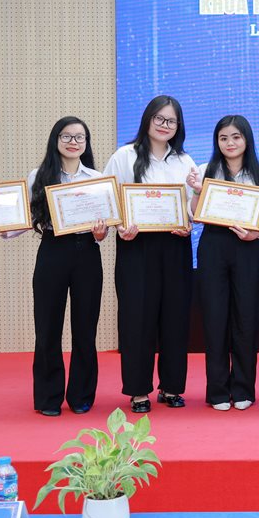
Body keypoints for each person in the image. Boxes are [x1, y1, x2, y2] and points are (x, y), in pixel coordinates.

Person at [0, 116, 109, 416]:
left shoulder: (97, 178)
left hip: (87, 253)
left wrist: (101, 233)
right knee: (47, 327)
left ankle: (81, 396)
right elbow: (25, 217)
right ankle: (48, 398)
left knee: (85, 328)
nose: (73, 142)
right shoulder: (39, 175)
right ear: (55, 140)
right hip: (52, 251)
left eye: (80, 137)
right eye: (67, 136)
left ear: (86, 143)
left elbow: (103, 229)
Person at [104, 95, 197, 414]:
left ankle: (171, 387)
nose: (164, 125)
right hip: (136, 245)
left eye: (171, 121)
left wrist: (189, 222)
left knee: (175, 317)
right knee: (137, 318)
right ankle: (138, 389)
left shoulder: (184, 160)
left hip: (175, 245)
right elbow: (108, 199)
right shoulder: (124, 156)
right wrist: (120, 226)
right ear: (147, 119)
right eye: (159, 118)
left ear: (178, 126)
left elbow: (191, 206)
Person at [186, 115, 259, 412]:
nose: (230, 143)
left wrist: (254, 233)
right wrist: (197, 191)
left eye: (236, 137)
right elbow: (195, 214)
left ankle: (244, 388)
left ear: (246, 139)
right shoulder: (204, 171)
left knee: (246, 317)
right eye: (223, 138)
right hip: (213, 245)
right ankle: (218, 390)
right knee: (214, 317)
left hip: (247, 246)